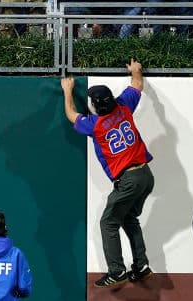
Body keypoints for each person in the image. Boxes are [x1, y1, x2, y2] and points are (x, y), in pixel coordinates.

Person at [60, 59, 154, 288]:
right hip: (146, 176)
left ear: (94, 105)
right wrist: (135, 70)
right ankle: (140, 266)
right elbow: (137, 84)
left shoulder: (95, 125)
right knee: (129, 217)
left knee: (108, 223)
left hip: (128, 181)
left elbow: (71, 114)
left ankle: (117, 271)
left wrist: (67, 91)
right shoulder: (124, 106)